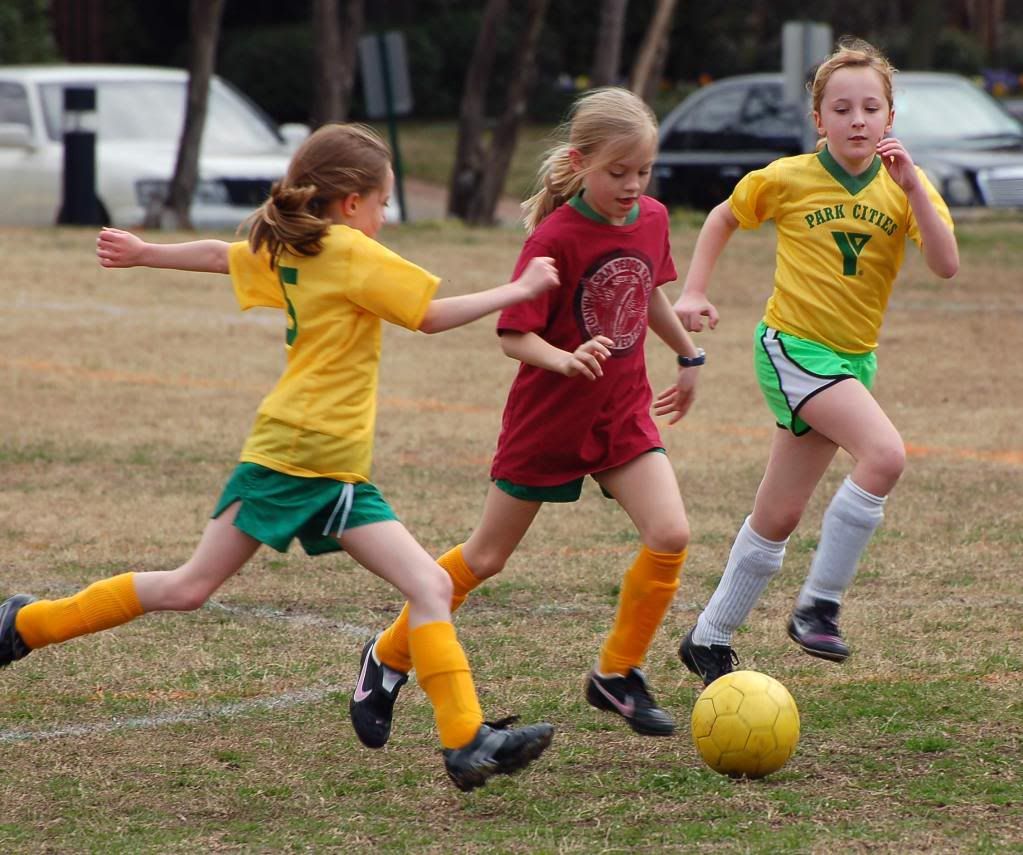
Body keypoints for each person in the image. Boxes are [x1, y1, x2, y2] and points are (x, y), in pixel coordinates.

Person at [0, 123, 560, 792]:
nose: (386, 216)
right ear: (351, 201)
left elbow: (220, 255)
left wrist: (146, 251)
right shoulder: (349, 249)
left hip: (315, 460)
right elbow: (431, 315)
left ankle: (466, 740)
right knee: (201, 586)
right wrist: (519, 288)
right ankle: (26, 623)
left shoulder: (301, 243)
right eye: (383, 202)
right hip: (301, 459)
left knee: (415, 585)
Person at [350, 87, 705, 748]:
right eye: (616, 172)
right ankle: (388, 656)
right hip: (549, 421)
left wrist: (689, 355)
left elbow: (647, 291)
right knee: (485, 555)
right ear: (579, 162)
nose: (631, 186)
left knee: (670, 531)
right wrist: (565, 359)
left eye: (642, 172)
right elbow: (514, 335)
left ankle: (616, 673)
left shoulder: (651, 218)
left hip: (620, 416)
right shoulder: (556, 236)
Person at [673, 38, 959, 686]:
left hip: (851, 361)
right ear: (817, 120)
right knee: (883, 455)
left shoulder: (904, 187)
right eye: (841, 108)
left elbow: (945, 263)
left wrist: (912, 188)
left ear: (889, 118)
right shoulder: (787, 177)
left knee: (777, 514)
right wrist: (693, 290)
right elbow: (722, 216)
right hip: (791, 348)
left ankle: (709, 634)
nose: (856, 119)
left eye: (869, 107)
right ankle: (817, 606)